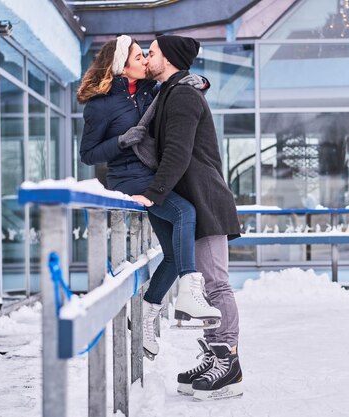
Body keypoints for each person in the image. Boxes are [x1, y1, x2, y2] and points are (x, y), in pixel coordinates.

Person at [77, 35, 221, 359]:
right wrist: (121, 141)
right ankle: (188, 288)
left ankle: (144, 315)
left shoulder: (147, 91)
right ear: (122, 65)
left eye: (145, 55)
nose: (145, 60)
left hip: (151, 180)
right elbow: (87, 153)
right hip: (128, 181)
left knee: (170, 255)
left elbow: (173, 88)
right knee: (185, 213)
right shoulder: (101, 104)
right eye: (138, 56)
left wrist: (197, 81)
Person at [136, 34, 243, 401]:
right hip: (192, 201)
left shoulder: (182, 95)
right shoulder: (168, 92)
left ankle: (227, 362)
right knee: (202, 285)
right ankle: (214, 353)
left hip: (207, 201)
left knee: (215, 285)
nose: (147, 57)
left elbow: (178, 154)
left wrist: (152, 194)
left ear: (167, 58)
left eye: (151, 52)